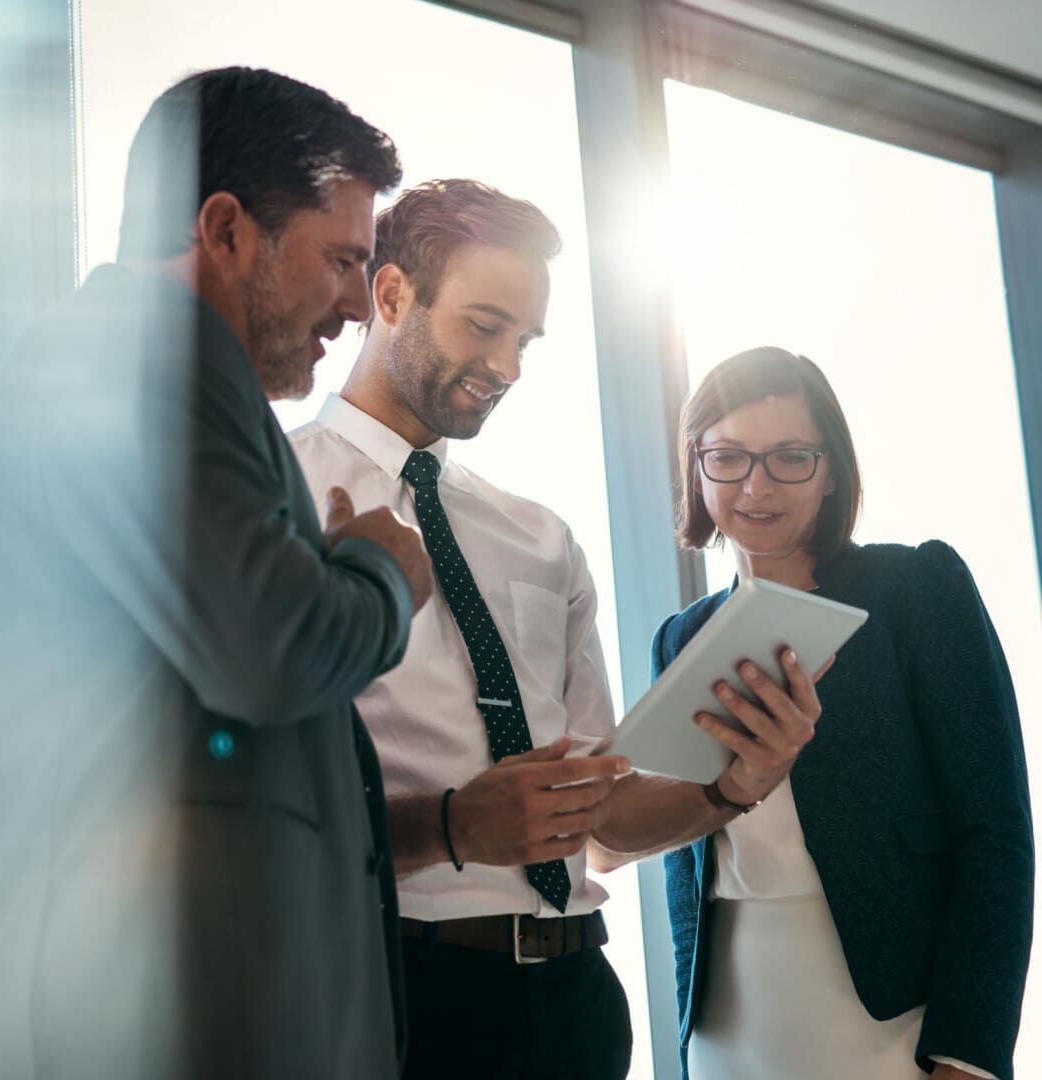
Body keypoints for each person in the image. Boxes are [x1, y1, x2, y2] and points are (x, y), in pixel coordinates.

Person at [290, 180, 821, 1079]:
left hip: (578, 1000)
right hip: (400, 991)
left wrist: (733, 788)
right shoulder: (277, 495)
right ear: (390, 297)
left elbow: (602, 811)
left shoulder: (540, 538)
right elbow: (251, 803)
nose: (508, 366)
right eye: (484, 324)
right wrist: (453, 825)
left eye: (526, 340)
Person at [0, 67, 433, 1080]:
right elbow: (275, 647)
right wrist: (379, 570)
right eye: (343, 259)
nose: (359, 305)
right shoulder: (132, 357)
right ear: (225, 228)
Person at [654, 346, 1033, 1080]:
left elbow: (996, 837)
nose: (757, 485)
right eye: (728, 456)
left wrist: (969, 1054)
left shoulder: (914, 589)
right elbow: (685, 867)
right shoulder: (680, 638)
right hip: (729, 1021)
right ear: (696, 468)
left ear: (830, 471)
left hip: (894, 1020)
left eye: (790, 456)